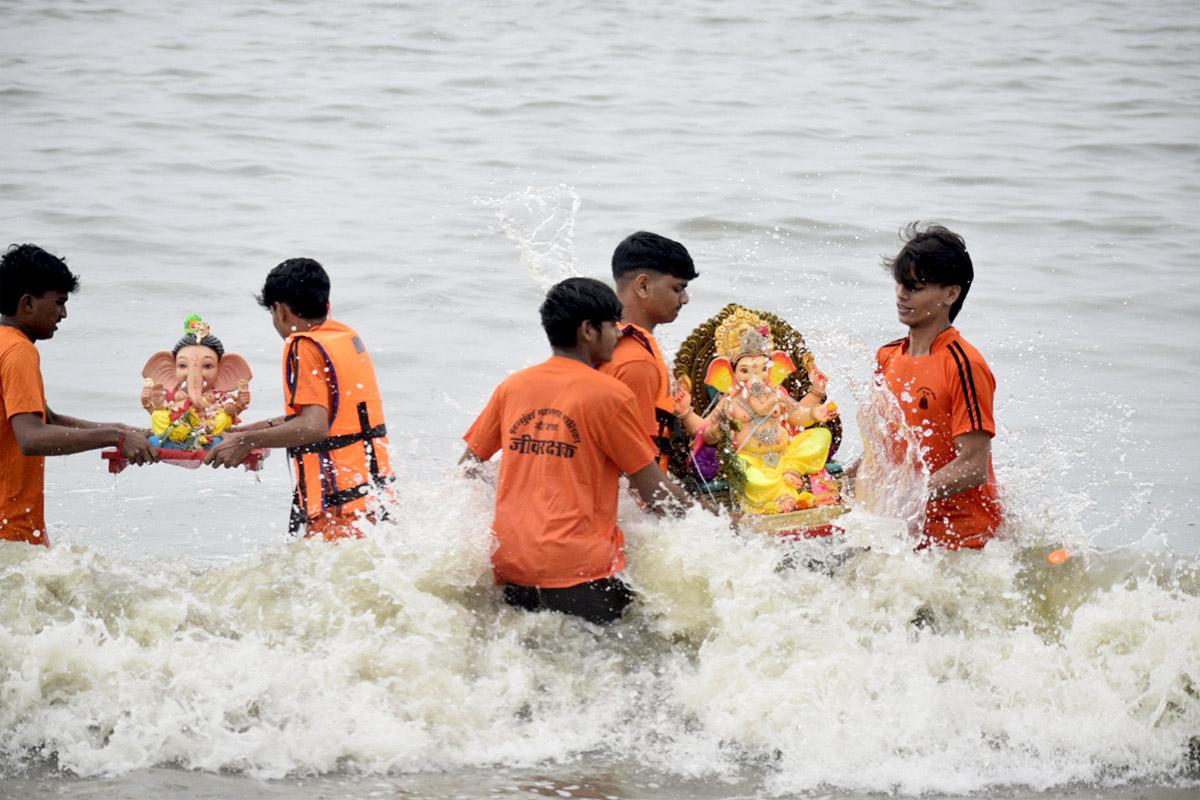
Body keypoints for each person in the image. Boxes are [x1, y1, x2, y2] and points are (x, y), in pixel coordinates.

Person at [461, 277, 694, 625]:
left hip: (510, 565)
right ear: (588, 330)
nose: (618, 334)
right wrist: (714, 523)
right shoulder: (609, 395)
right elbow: (654, 491)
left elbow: (468, 468)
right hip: (581, 572)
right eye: (612, 325)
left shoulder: (513, 386)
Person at [205, 258, 393, 541]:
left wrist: (246, 442)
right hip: (373, 499)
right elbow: (330, 418)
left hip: (337, 512)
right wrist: (249, 431)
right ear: (326, 305)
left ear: (281, 311)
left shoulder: (303, 346)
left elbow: (313, 427)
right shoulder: (344, 338)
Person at [0, 244, 157, 547]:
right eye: (59, 302)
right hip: (9, 529)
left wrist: (122, 430)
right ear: (27, 303)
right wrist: (115, 437)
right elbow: (31, 437)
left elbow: (48, 419)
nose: (64, 314)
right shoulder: (19, 351)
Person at [873, 223, 1003, 549]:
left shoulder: (964, 364)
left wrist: (907, 497)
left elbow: (973, 466)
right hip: (903, 533)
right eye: (900, 283)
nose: (901, 294)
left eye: (915, 287)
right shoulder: (887, 357)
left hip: (963, 541)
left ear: (950, 294)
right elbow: (884, 450)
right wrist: (838, 482)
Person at [598, 231, 697, 471]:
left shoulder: (597, 342)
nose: (685, 299)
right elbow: (637, 464)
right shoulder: (636, 361)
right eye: (678, 288)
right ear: (643, 286)